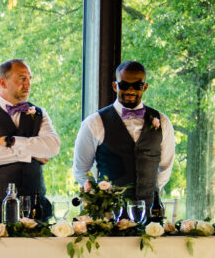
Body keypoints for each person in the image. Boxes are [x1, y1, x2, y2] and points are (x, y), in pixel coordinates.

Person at [0, 58, 60, 222]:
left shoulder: (39, 113)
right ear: (3, 82)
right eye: (22, 78)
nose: (28, 84)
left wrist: (11, 141)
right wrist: (30, 155)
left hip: (35, 208)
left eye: (29, 79)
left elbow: (53, 147)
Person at [72, 61, 174, 201]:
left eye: (137, 85)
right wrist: (98, 195)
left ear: (145, 87)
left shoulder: (163, 122)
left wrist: (149, 192)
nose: (130, 91)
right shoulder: (94, 123)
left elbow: (165, 168)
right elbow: (80, 169)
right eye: (124, 85)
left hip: (150, 214)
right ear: (115, 86)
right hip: (109, 216)